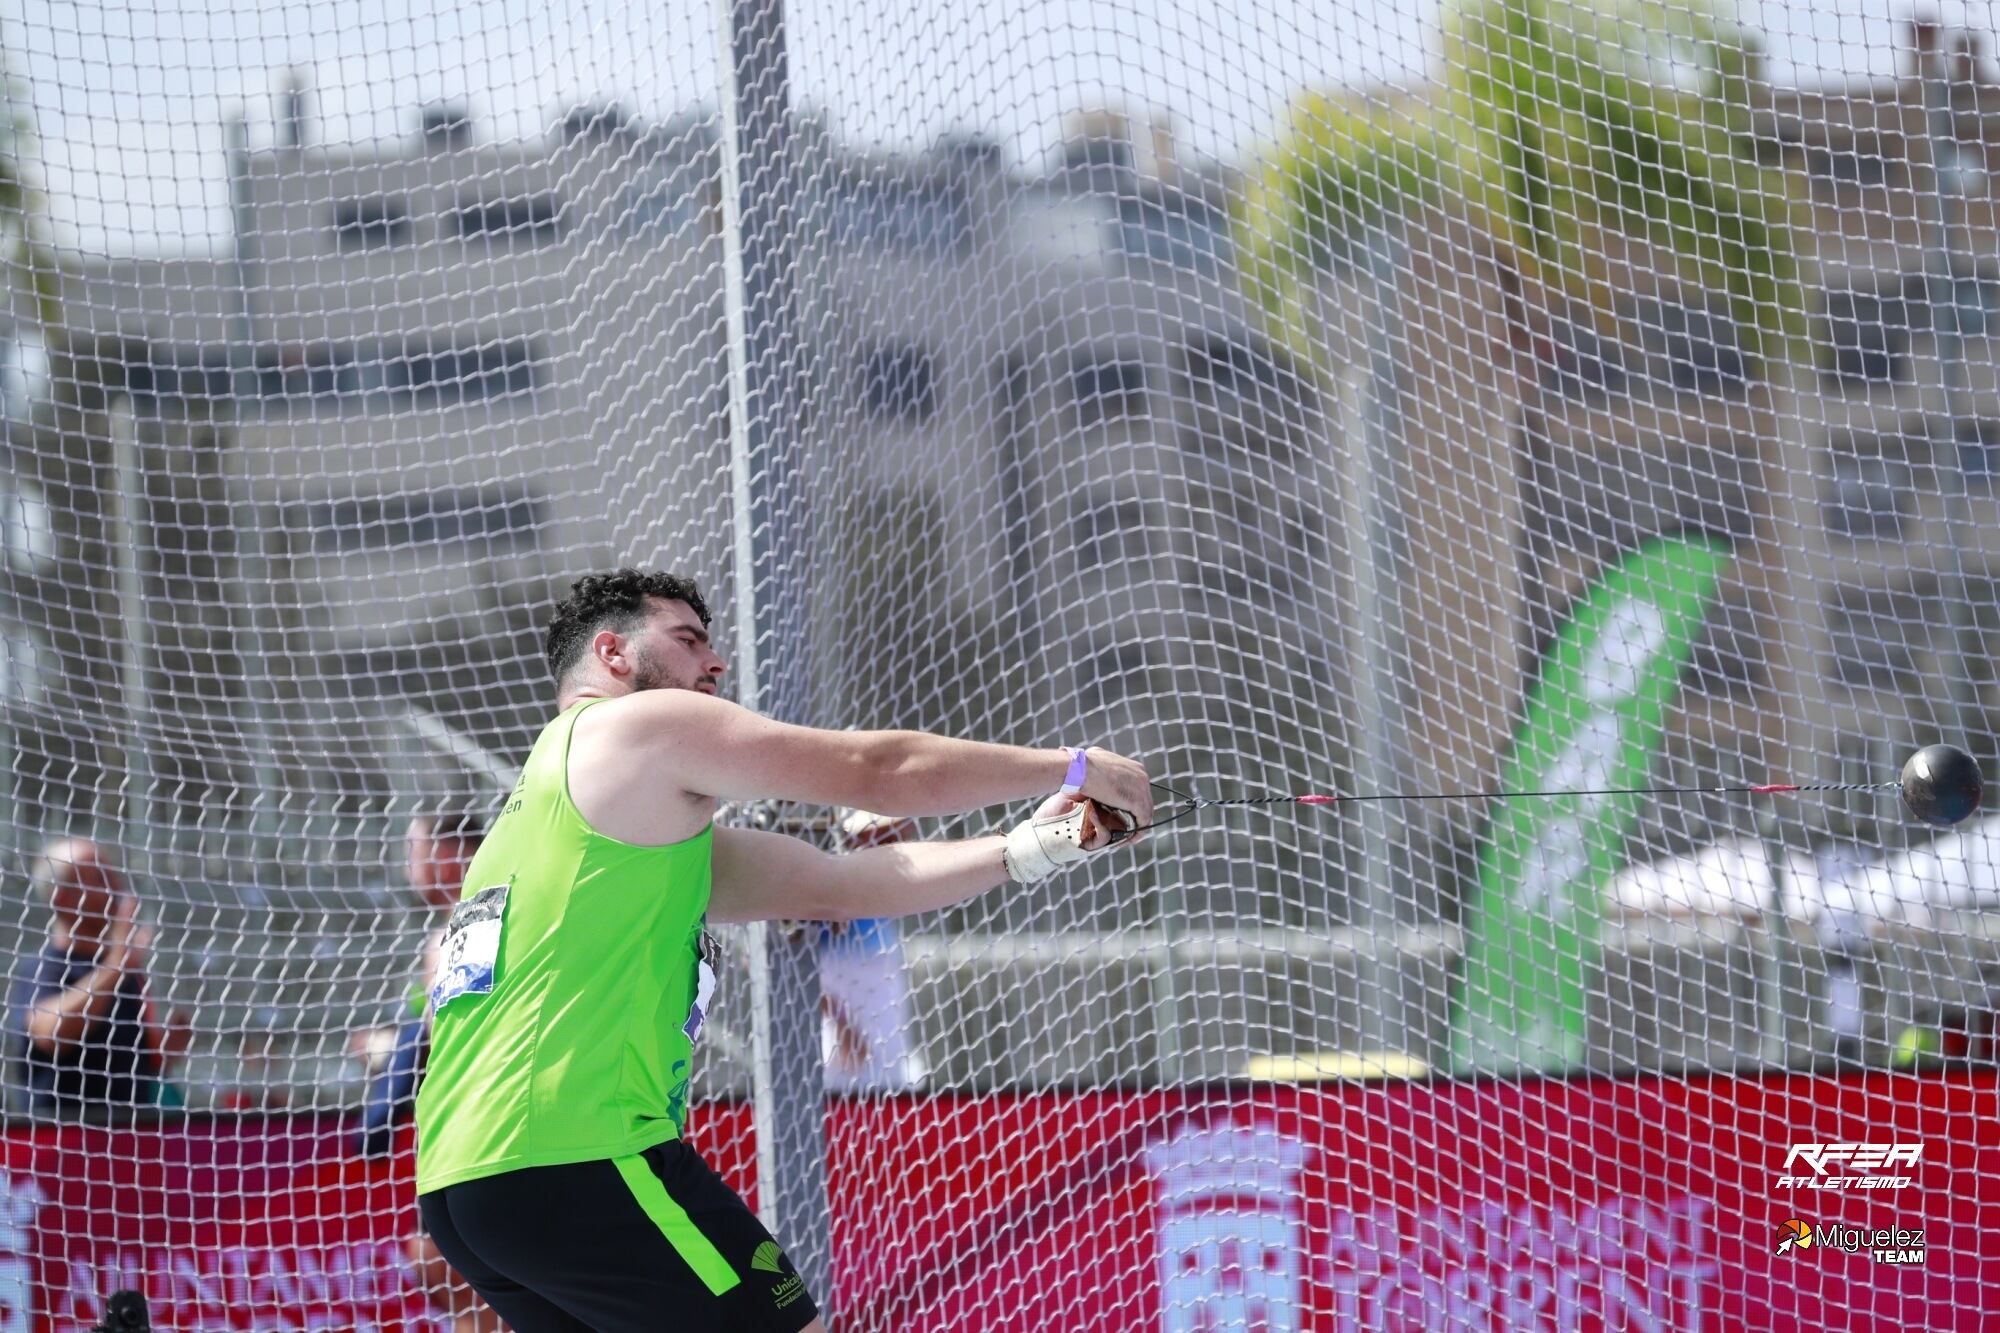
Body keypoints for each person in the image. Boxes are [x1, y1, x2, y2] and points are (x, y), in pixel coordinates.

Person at [415, 568, 1152, 1333]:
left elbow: (837, 887)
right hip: (581, 1152)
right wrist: (1076, 766)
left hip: (468, 1185)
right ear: (612, 652)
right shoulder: (635, 727)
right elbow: (876, 770)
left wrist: (1040, 844)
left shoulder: (569, 814)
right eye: (689, 639)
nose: (714, 663)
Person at [348, 809, 501, 1333]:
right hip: (464, 1135)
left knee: (461, 1281)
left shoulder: (471, 924)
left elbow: (456, 1038)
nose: (407, 864)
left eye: (415, 849)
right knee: (452, 1280)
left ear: (451, 854)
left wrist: (394, 1055)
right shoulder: (460, 927)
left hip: (480, 1137)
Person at [8, 838, 189, 1117]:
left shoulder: (126, 974)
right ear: (63, 898)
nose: (115, 886)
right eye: (99, 877)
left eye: (112, 874)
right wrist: (117, 964)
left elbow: (136, 1063)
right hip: (65, 1148)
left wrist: (166, 1049)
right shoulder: (44, 968)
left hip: (133, 1142)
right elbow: (50, 1033)